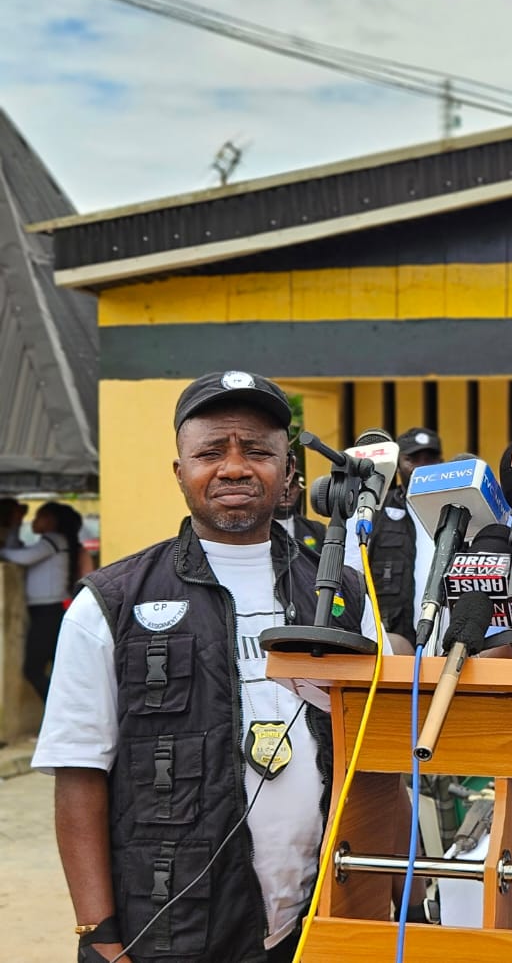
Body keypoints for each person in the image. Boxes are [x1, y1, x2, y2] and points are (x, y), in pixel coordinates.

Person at [31, 369, 398, 963]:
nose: (233, 467)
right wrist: (97, 933)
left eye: (257, 451)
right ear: (180, 472)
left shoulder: (345, 596)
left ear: (288, 475)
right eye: (210, 452)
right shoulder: (111, 601)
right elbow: (78, 771)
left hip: (312, 919)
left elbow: (374, 759)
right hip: (170, 927)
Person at [346, 426, 444, 644]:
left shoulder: (455, 510)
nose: (422, 467)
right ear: (398, 465)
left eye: (430, 459)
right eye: (413, 459)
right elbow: (353, 572)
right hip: (393, 639)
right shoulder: (377, 509)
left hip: (444, 639)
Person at [1, 500, 83, 701]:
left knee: (33, 668)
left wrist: (1, 551)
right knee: (57, 668)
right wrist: (15, 524)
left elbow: (23, 557)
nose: (33, 521)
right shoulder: (51, 540)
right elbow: (16, 550)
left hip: (49, 611)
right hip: (46, 611)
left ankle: (58, 711)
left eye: (39, 517)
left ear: (51, 520)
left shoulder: (54, 539)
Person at [273, 464, 326, 551]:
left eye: (292, 485)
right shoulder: (254, 533)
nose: (287, 492)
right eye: (280, 486)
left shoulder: (317, 529)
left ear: (299, 489)